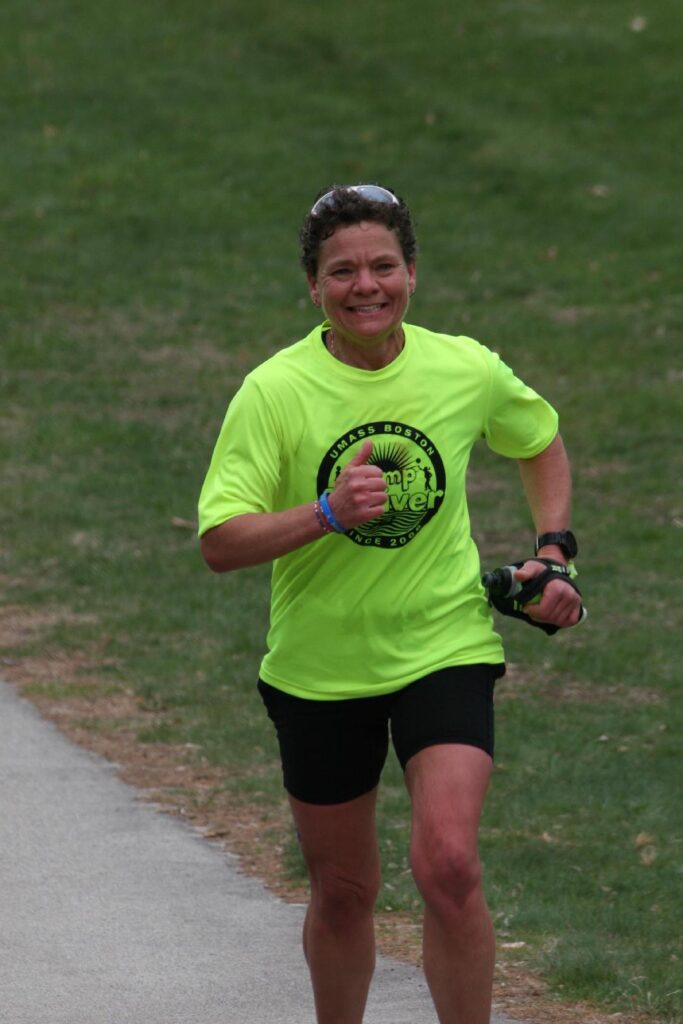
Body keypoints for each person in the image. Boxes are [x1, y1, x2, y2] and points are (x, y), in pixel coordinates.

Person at [198, 184, 582, 1024]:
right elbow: (220, 542)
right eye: (342, 271)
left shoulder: (462, 367)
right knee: (343, 890)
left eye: (381, 266)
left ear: (411, 273)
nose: (364, 285)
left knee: (448, 865)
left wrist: (552, 551)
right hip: (318, 668)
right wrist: (326, 513)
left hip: (442, 647)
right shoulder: (274, 392)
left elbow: (539, 438)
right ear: (313, 288)